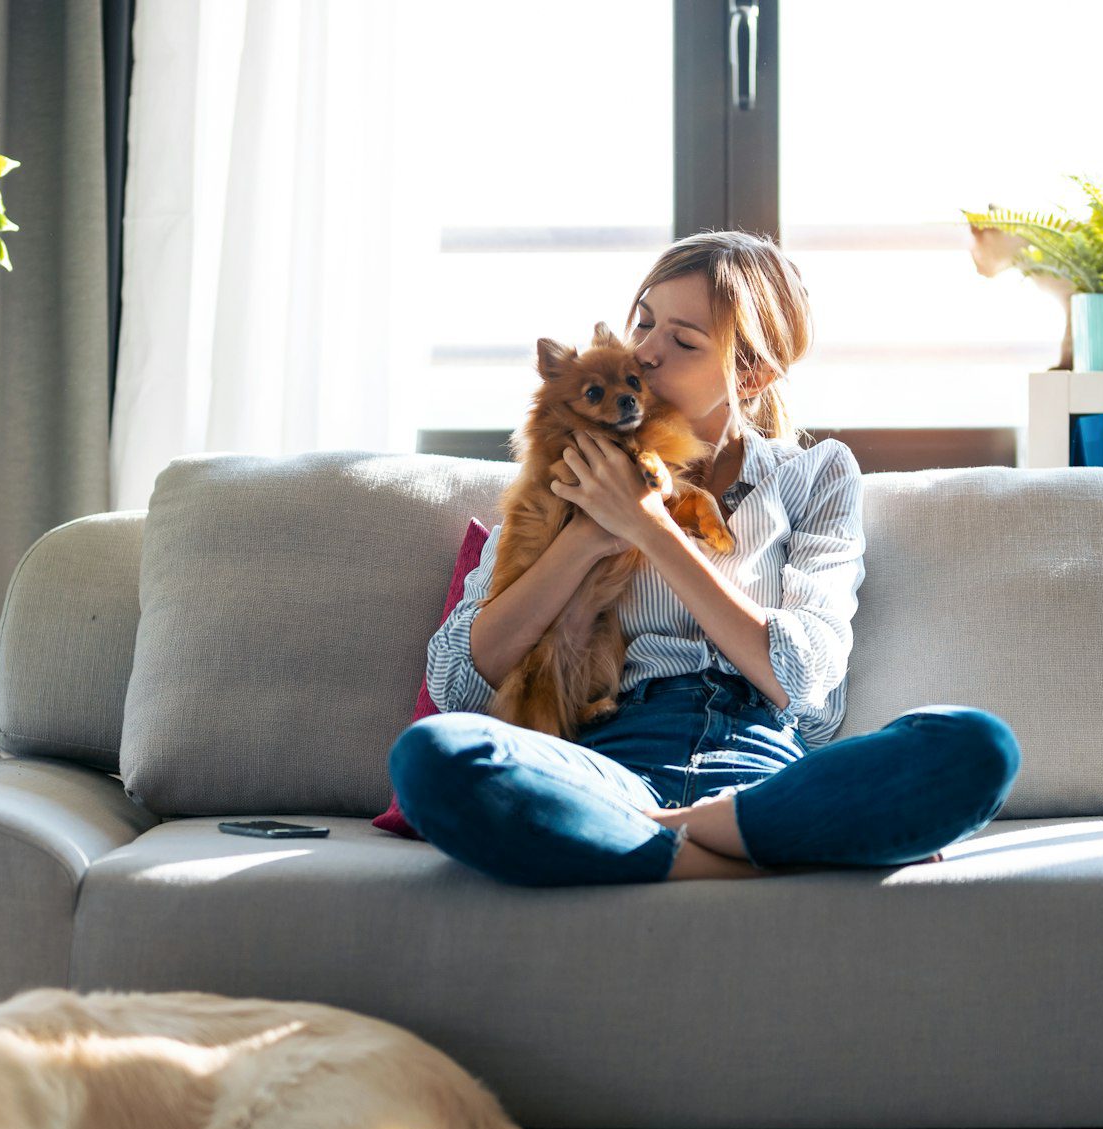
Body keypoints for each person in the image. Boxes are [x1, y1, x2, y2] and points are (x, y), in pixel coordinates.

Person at [387, 231, 1021, 888]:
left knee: (976, 747)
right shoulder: (570, 463)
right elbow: (457, 681)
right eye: (644, 321)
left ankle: (653, 838)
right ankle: (740, 852)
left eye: (684, 341)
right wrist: (589, 535)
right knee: (433, 757)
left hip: (765, 768)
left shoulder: (814, 475)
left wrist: (649, 525)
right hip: (608, 763)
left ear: (750, 374)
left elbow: (809, 688)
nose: (646, 352)